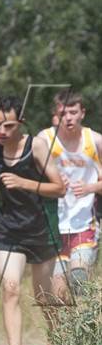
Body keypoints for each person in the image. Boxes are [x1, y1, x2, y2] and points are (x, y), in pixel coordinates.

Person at [0, 96, 65, 345]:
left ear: (21, 123)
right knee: (10, 288)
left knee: (44, 296)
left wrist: (24, 182)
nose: (2, 132)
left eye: (8, 126)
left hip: (41, 229)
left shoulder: (36, 145)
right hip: (10, 229)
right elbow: (0, 179)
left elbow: (59, 187)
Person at [39, 90, 102, 296]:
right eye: (64, 113)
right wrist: (51, 178)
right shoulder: (45, 140)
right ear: (57, 115)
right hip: (54, 226)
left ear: (82, 113)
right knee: (58, 294)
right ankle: (68, 329)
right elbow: (28, 171)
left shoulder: (95, 141)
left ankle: (90, 326)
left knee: (79, 280)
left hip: (84, 224)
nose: (68, 117)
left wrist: (90, 187)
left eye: (73, 112)